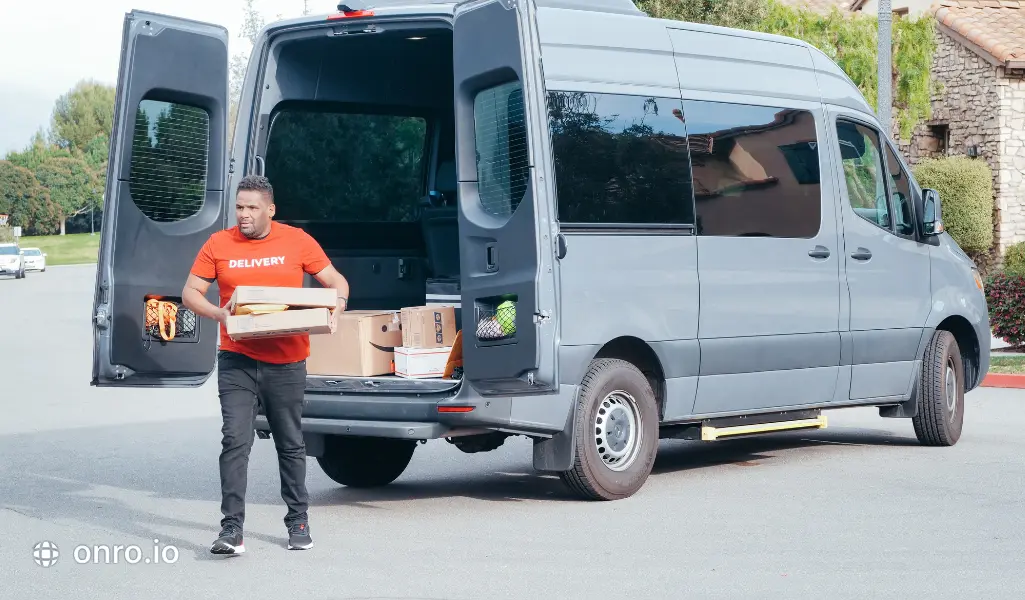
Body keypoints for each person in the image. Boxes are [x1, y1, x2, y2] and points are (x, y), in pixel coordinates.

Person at [182, 175, 349, 555]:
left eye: (252, 208)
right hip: (237, 359)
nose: (244, 215)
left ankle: (297, 520)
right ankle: (231, 529)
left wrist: (334, 305)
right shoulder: (218, 243)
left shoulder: (297, 241)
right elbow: (190, 292)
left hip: (287, 361)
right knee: (234, 441)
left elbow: (335, 281)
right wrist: (220, 315)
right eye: (239, 207)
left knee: (290, 443)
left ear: (270, 209)